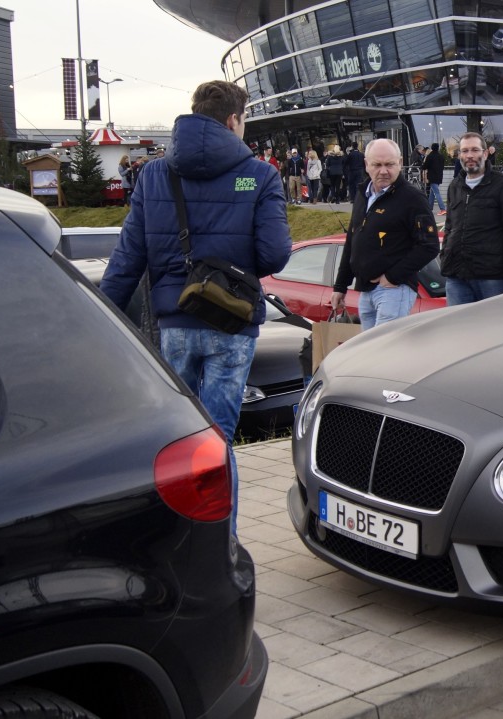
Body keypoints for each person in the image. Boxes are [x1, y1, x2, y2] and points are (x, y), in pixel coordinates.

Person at [99, 80, 291, 535]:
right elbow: (276, 255)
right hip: (232, 324)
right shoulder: (257, 175)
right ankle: (219, 548)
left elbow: (128, 260)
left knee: (173, 441)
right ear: (233, 121)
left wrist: (101, 319)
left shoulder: (154, 175)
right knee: (216, 442)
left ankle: (173, 542)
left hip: (175, 324)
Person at [330, 139, 440, 329]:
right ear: (366, 165)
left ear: (400, 162)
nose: (383, 171)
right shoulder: (363, 193)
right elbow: (352, 240)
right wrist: (340, 287)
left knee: (386, 352)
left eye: (389, 164)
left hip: (394, 289)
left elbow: (429, 246)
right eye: (377, 165)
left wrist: (392, 277)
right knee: (372, 353)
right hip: (365, 290)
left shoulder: (413, 198)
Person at [441, 132, 503, 304]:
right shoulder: (455, 186)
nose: (470, 156)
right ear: (459, 155)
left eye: (475, 150)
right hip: (457, 277)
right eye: (464, 151)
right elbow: (450, 227)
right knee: (458, 329)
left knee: (494, 330)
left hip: (492, 278)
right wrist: (445, 256)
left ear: (486, 153)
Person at [423, 141, 447, 215]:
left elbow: (425, 166)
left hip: (432, 177)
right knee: (432, 193)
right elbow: (442, 166)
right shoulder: (441, 156)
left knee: (436, 193)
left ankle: (443, 209)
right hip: (439, 176)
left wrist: (422, 166)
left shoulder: (430, 156)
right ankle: (429, 208)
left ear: (432, 148)